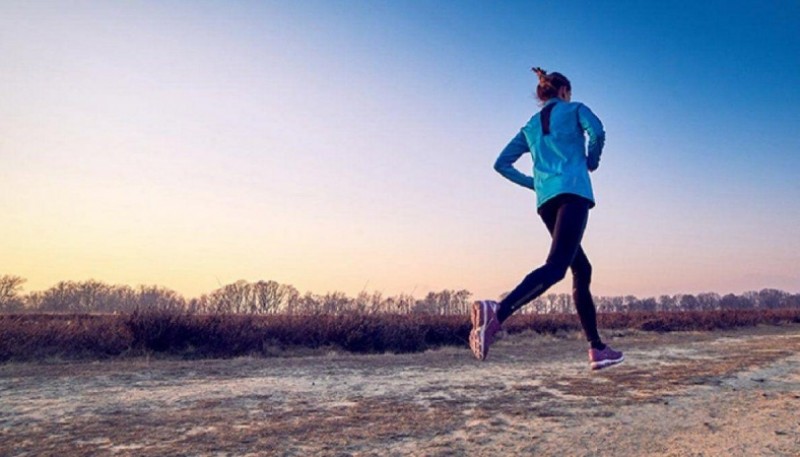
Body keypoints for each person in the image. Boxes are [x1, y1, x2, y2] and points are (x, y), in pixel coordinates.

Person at [469, 67, 624, 370]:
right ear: (564, 91)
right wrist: (591, 160)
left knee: (581, 268)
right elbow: (599, 132)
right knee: (556, 268)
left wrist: (536, 184)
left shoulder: (530, 125)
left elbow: (501, 164)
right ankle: (497, 312)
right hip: (573, 194)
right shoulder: (575, 109)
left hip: (546, 203)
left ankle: (597, 349)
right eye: (569, 92)